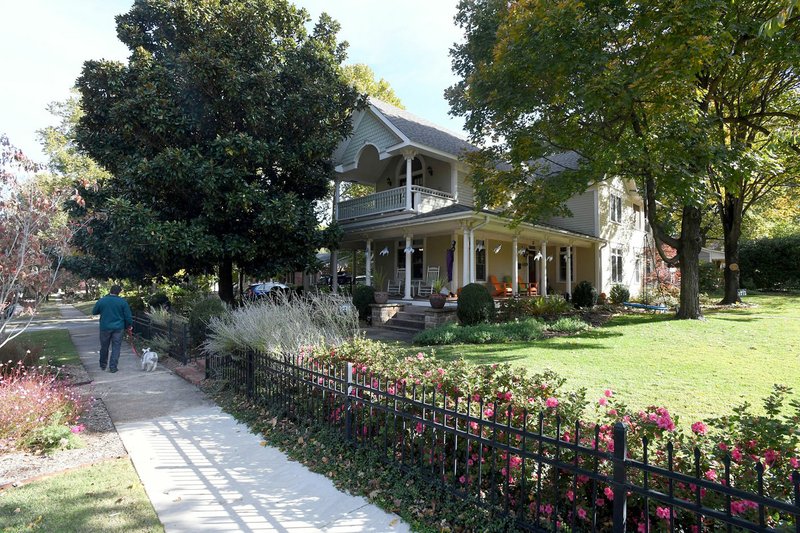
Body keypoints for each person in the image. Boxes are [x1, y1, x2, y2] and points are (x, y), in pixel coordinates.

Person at [92, 285, 133, 373]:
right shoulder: (122, 302)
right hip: (118, 328)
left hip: (105, 327)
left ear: (110, 291)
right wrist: (128, 325)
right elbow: (128, 316)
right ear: (119, 292)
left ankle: (103, 364)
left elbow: (94, 311)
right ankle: (113, 367)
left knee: (104, 346)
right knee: (116, 347)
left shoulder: (102, 300)